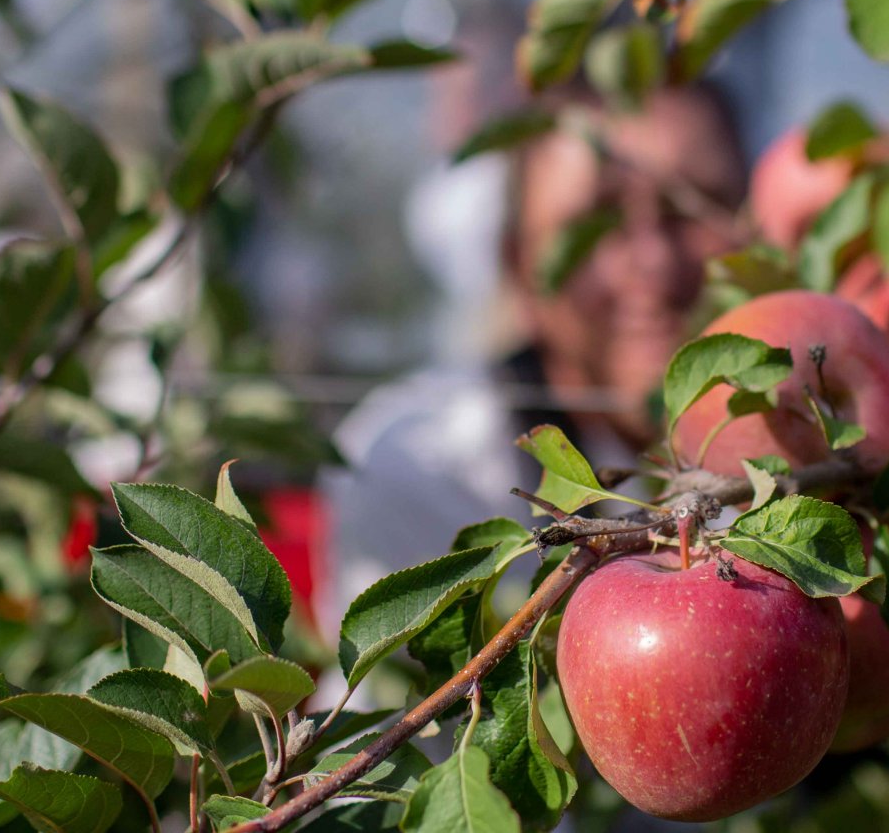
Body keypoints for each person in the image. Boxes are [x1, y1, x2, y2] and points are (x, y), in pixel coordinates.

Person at [318, 84, 747, 620]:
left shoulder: (812, 448)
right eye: (598, 219)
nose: (655, 262)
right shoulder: (430, 464)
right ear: (519, 264)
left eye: (693, 207)